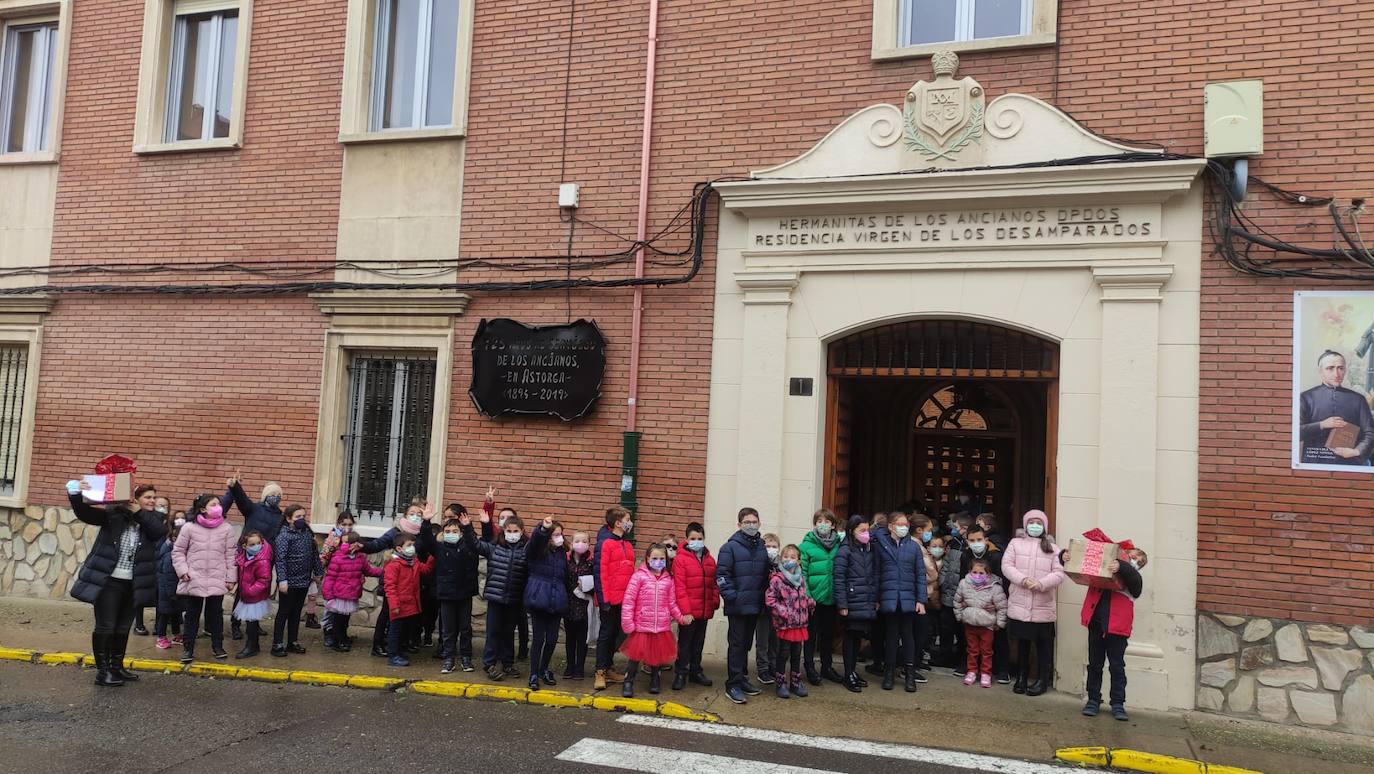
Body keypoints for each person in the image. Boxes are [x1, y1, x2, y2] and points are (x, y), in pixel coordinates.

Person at [67, 477, 167, 686]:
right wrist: (76, 494)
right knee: (107, 626)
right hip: (109, 581)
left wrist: (138, 511)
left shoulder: (155, 519)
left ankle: (116, 667)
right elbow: (85, 513)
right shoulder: (114, 515)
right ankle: (103, 672)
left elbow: (158, 533)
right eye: (147, 497)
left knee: (122, 627)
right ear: (135, 498)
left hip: (134, 583)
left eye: (154, 497)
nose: (152, 501)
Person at [1000, 510, 1066, 696]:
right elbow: (1007, 565)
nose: (1035, 525)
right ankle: (1021, 677)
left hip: (1043, 604)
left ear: (1044, 526)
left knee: (1043, 645)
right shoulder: (1015, 543)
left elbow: (1059, 573)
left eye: (1039, 522)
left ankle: (1042, 680)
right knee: (1022, 643)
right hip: (1020, 602)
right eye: (1031, 522)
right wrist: (1023, 580)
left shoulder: (1053, 548)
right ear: (1025, 524)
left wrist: (1041, 584)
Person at [1080, 544, 1147, 721]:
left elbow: (1136, 585)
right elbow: (1082, 562)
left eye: (1139, 561)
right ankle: (1093, 699)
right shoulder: (1104, 569)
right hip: (1096, 624)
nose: (1135, 561)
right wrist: (1063, 555)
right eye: (1133, 556)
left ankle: (1118, 703)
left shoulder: (1133, 578)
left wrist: (1122, 565)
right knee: (1095, 664)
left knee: (1117, 666)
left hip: (1117, 629)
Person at [619, 543, 691, 698]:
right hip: (642, 625)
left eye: (662, 558)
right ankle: (628, 681)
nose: (658, 561)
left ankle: (655, 680)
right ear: (647, 559)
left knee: (656, 656)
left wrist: (681, 617)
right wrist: (628, 622)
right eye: (655, 558)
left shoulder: (668, 579)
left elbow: (672, 603)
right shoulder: (639, 576)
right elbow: (629, 600)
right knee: (635, 656)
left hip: (661, 626)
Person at [172, 494, 237, 663]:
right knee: (192, 615)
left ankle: (218, 646)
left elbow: (231, 556)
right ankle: (188, 648)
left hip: (217, 578)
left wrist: (231, 578)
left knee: (215, 614)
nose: (218, 507)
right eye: (213, 504)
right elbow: (178, 551)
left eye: (219, 504)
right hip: (194, 578)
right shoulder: (189, 528)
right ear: (202, 509)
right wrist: (183, 571)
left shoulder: (227, 529)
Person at [222, 471, 286, 640]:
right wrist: (235, 486)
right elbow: (241, 499)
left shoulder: (281, 517)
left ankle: (254, 623)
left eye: (278, 495)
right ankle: (236, 624)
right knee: (243, 591)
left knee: (260, 592)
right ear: (266, 495)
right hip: (247, 557)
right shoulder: (254, 509)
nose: (275, 497)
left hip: (266, 560)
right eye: (273, 494)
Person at [716, 507, 769, 705]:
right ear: (739, 525)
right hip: (738, 606)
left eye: (754, 521)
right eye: (747, 522)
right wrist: (732, 597)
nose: (751, 525)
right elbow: (722, 575)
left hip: (755, 605)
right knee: (737, 645)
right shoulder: (729, 548)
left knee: (746, 644)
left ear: (759, 523)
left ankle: (742, 678)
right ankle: (733, 684)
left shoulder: (762, 546)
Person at [418, 507, 480, 673]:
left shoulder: (468, 547)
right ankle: (448, 658)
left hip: (464, 593)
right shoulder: (440, 548)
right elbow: (425, 538)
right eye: (448, 531)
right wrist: (426, 521)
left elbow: (475, 542)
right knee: (448, 629)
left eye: (455, 531)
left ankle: (466, 658)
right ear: (443, 533)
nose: (451, 533)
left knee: (465, 628)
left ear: (460, 533)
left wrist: (468, 528)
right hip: (446, 594)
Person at [874, 512, 927, 692]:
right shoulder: (882, 545)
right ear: (891, 526)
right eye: (900, 524)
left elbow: (920, 575)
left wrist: (921, 600)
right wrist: (877, 598)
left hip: (909, 599)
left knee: (908, 635)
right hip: (889, 597)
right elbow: (877, 573)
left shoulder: (913, 547)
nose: (904, 527)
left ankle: (909, 673)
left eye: (906, 524)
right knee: (891, 636)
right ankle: (888, 672)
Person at [475, 511, 529, 680]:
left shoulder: (526, 550)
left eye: (515, 531)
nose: (512, 534)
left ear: (522, 531)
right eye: (509, 531)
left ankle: (507, 664)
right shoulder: (495, 547)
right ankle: (489, 664)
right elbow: (476, 544)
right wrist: (479, 525)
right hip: (496, 597)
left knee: (508, 632)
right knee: (493, 631)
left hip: (514, 598)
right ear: (504, 531)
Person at [1299, 350, 1374, 465]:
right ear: (1320, 371)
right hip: (1315, 463)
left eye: (1340, 368)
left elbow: (1370, 433)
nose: (1336, 374)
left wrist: (1356, 451)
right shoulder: (1306, 397)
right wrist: (1322, 424)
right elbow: (1296, 431)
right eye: (1330, 368)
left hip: (1350, 463)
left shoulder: (1358, 399)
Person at [524, 516, 571, 690]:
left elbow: (565, 576)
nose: (559, 537)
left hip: (557, 598)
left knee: (552, 639)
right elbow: (534, 543)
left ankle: (544, 669)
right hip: (539, 596)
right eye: (555, 534)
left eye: (561, 534)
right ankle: (534, 673)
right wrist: (543, 530)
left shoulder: (562, 553)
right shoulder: (537, 550)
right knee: (538, 639)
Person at [671, 521, 719, 690]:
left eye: (700, 538)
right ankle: (681, 673)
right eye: (693, 538)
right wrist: (685, 611)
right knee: (685, 644)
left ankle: (695, 671)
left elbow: (713, 584)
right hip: (689, 611)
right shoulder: (680, 559)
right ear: (687, 539)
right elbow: (680, 587)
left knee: (698, 643)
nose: (697, 540)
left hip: (704, 609)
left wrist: (714, 602)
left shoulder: (710, 560)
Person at [833, 515, 877, 692]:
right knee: (850, 638)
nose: (866, 534)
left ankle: (852, 672)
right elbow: (839, 578)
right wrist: (842, 604)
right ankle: (848, 673)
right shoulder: (845, 551)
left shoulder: (867, 549)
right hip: (851, 602)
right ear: (852, 531)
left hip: (864, 601)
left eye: (868, 530)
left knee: (858, 638)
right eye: (862, 531)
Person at [593, 506, 635, 690]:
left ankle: (609, 667)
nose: (630, 523)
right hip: (609, 600)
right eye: (627, 519)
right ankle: (600, 671)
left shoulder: (627, 544)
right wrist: (604, 600)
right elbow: (600, 573)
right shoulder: (605, 544)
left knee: (617, 635)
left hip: (625, 599)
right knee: (606, 634)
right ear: (618, 523)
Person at [271, 504, 322, 657]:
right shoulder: (284, 536)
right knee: (284, 611)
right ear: (288, 519)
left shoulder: (307, 534)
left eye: (303, 516)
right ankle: (277, 644)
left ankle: (292, 642)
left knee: (296, 612)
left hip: (304, 580)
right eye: (298, 517)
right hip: (289, 582)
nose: (301, 519)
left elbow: (314, 555)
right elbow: (280, 560)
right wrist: (282, 580)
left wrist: (318, 572)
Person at [798, 508, 843, 685]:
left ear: (833, 525)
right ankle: (809, 667)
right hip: (813, 600)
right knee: (811, 636)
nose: (823, 525)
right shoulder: (806, 546)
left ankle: (827, 667)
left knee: (828, 635)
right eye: (819, 521)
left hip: (831, 599)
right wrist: (809, 597)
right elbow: (804, 574)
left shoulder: (839, 545)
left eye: (826, 521)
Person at [766, 544, 816, 699]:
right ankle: (781, 683)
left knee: (796, 653)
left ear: (799, 561)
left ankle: (796, 682)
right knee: (783, 653)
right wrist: (784, 611)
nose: (789, 560)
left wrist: (809, 602)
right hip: (786, 624)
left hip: (800, 623)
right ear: (781, 559)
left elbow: (802, 596)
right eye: (786, 557)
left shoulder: (800, 579)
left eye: (793, 557)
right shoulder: (777, 579)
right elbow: (770, 599)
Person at [319, 532, 382, 653]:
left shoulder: (360, 558)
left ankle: (343, 637)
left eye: (349, 543)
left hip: (351, 593)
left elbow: (368, 570)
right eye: (344, 542)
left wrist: (383, 572)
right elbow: (330, 577)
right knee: (338, 618)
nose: (346, 545)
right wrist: (328, 595)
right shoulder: (337, 558)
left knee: (345, 618)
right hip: (339, 595)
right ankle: (337, 641)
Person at [954, 557, 1008, 688]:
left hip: (987, 626)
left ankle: (986, 673)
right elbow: (957, 601)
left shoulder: (995, 588)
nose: (977, 576)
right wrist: (960, 616)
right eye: (974, 572)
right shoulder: (964, 584)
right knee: (972, 650)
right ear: (969, 572)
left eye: (981, 573)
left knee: (986, 651)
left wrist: (999, 623)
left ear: (988, 574)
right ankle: (972, 671)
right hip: (970, 624)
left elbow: (1002, 607)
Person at [383, 533, 435, 667]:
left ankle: (400, 651)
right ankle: (393, 655)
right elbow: (390, 587)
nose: (413, 547)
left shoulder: (414, 562)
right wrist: (394, 605)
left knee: (405, 631)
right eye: (409, 545)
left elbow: (427, 570)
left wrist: (433, 555)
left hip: (411, 604)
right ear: (399, 549)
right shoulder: (394, 565)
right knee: (395, 631)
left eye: (413, 545)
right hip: (399, 605)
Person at [133, 494, 173, 636]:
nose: (162, 508)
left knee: (159, 596)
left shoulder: (169, 524)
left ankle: (158, 626)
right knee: (140, 592)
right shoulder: (145, 521)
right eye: (159, 505)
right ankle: (138, 624)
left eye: (165, 506)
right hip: (146, 560)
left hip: (160, 562)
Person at [936, 515, 971, 668]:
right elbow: (946, 566)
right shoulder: (953, 544)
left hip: (964, 596)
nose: (954, 530)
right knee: (946, 629)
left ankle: (962, 660)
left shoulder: (971, 545)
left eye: (957, 527)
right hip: (948, 594)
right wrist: (942, 584)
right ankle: (944, 657)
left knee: (963, 631)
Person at [232, 529, 274, 658]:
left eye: (258, 543)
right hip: (247, 594)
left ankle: (251, 646)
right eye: (252, 544)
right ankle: (253, 645)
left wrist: (250, 590)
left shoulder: (262, 560)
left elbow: (265, 580)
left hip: (254, 596)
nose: (256, 546)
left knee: (251, 622)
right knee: (251, 622)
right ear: (244, 546)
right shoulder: (243, 557)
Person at [319, 511, 356, 650]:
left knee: (344, 609)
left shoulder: (353, 538)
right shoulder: (333, 537)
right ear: (338, 524)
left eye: (350, 524)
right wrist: (320, 573)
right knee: (331, 607)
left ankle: (341, 633)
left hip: (348, 579)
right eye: (344, 524)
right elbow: (324, 555)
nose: (347, 527)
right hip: (333, 576)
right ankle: (328, 631)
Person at [564, 530, 596, 680]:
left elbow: (596, 582)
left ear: (589, 544)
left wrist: (588, 586)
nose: (580, 544)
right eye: (577, 541)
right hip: (569, 604)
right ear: (571, 543)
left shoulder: (591, 562)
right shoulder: (566, 561)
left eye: (584, 541)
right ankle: (569, 666)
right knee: (570, 638)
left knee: (582, 639)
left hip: (584, 605)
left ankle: (579, 668)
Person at [753, 533, 782, 686]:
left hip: (777, 610)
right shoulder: (759, 564)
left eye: (774, 546)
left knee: (775, 640)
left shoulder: (782, 566)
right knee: (762, 640)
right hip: (762, 608)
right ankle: (762, 669)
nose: (771, 549)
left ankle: (773, 666)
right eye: (768, 546)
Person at [153, 512, 182, 650]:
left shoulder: (177, 552)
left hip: (175, 590)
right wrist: (172, 593)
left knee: (176, 613)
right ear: (174, 539)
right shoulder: (170, 555)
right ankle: (161, 637)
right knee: (164, 615)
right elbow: (169, 576)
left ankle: (177, 635)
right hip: (168, 591)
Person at [923, 533, 945, 665]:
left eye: (940, 546)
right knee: (927, 628)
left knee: (939, 628)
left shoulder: (947, 562)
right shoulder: (925, 561)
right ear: (928, 548)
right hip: (928, 600)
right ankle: (926, 651)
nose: (937, 549)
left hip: (941, 601)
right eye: (934, 546)